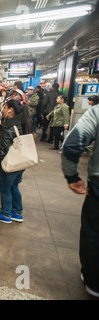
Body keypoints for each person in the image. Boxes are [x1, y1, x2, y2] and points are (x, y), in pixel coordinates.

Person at [61, 94, 99, 298]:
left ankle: (93, 282)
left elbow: (72, 144)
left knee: (94, 232)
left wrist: (72, 176)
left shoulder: (96, 113)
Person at [0, 99, 31, 224]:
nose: (2, 110)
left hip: (9, 164)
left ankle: (5, 214)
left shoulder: (8, 127)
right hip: (20, 163)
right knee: (14, 187)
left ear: (10, 110)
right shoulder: (23, 123)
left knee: (4, 189)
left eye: (4, 107)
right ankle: (17, 213)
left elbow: (2, 149)